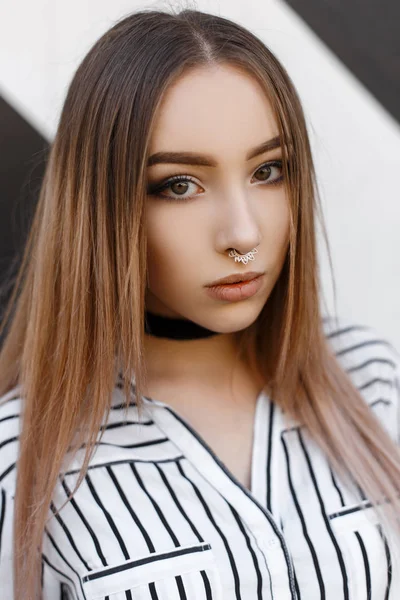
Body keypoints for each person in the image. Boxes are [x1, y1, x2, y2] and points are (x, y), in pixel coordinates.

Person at [0, 7, 399, 600]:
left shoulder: (371, 378)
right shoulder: (24, 459)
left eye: (268, 171)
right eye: (178, 185)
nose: (242, 236)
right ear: (102, 207)